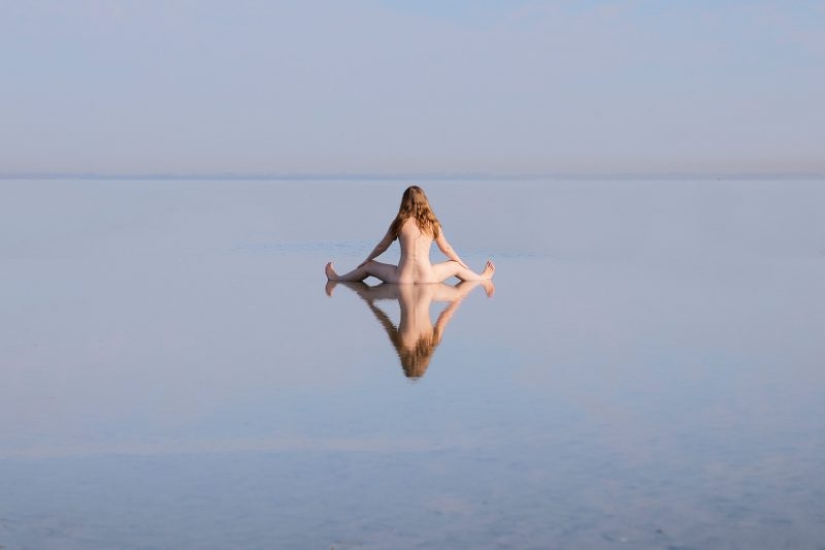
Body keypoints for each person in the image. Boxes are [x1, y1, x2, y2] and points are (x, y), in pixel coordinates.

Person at [325, 186, 495, 284]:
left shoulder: (399, 222)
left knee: (369, 266)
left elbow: (382, 246)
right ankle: (481, 278)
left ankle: (338, 279)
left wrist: (366, 260)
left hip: (401, 278)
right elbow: (446, 249)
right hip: (427, 278)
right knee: (455, 265)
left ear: (404, 202)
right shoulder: (432, 223)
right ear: (425, 202)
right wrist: (462, 264)